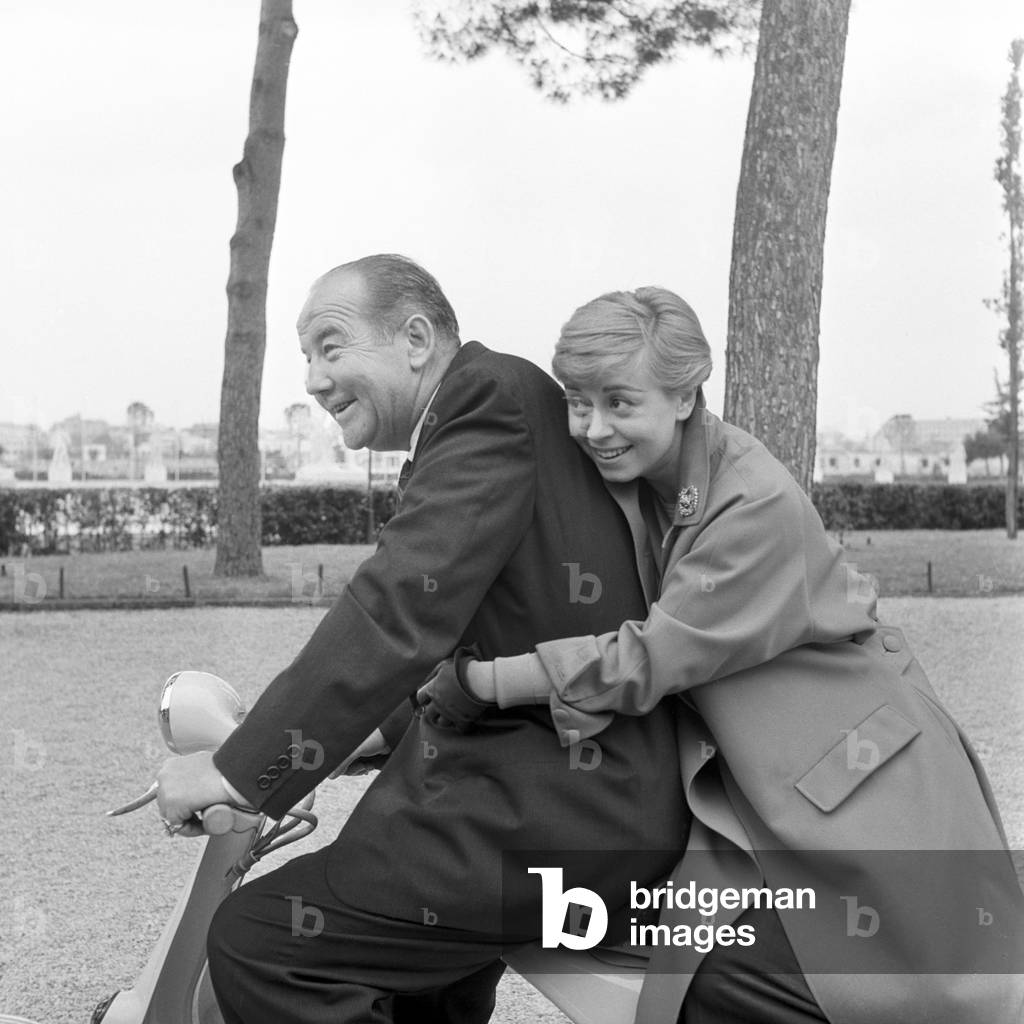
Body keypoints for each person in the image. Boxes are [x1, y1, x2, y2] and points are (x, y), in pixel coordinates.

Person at [422, 286, 1024, 1023]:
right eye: (577, 403)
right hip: (769, 781)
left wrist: (482, 682)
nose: (593, 427)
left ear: (685, 397)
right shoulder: (646, 479)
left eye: (618, 402)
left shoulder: (752, 503)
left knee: (764, 978)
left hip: (865, 783)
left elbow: (646, 658)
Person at [155, 255, 689, 1023]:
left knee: (263, 943)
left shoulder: (488, 401)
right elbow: (498, 631)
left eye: (331, 347)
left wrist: (239, 773)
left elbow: (398, 607)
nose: (311, 378)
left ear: (414, 338)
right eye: (305, 356)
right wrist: (369, 732)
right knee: (414, 989)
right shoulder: (491, 414)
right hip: (557, 802)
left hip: (556, 811)